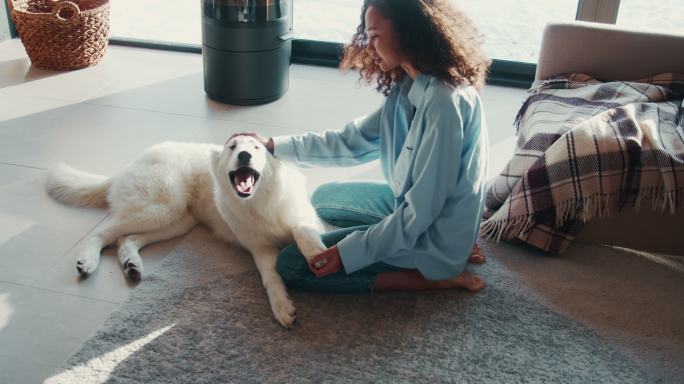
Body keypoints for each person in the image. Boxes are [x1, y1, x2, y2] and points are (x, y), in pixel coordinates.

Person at [233, 0, 491, 294]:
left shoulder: (444, 104)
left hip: (431, 232)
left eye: (375, 36)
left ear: (408, 33)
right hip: (417, 210)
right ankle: (449, 246)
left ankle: (434, 277)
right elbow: (351, 140)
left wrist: (347, 255)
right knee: (323, 197)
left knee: (292, 264)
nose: (368, 47)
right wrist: (273, 145)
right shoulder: (411, 84)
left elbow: (419, 215)